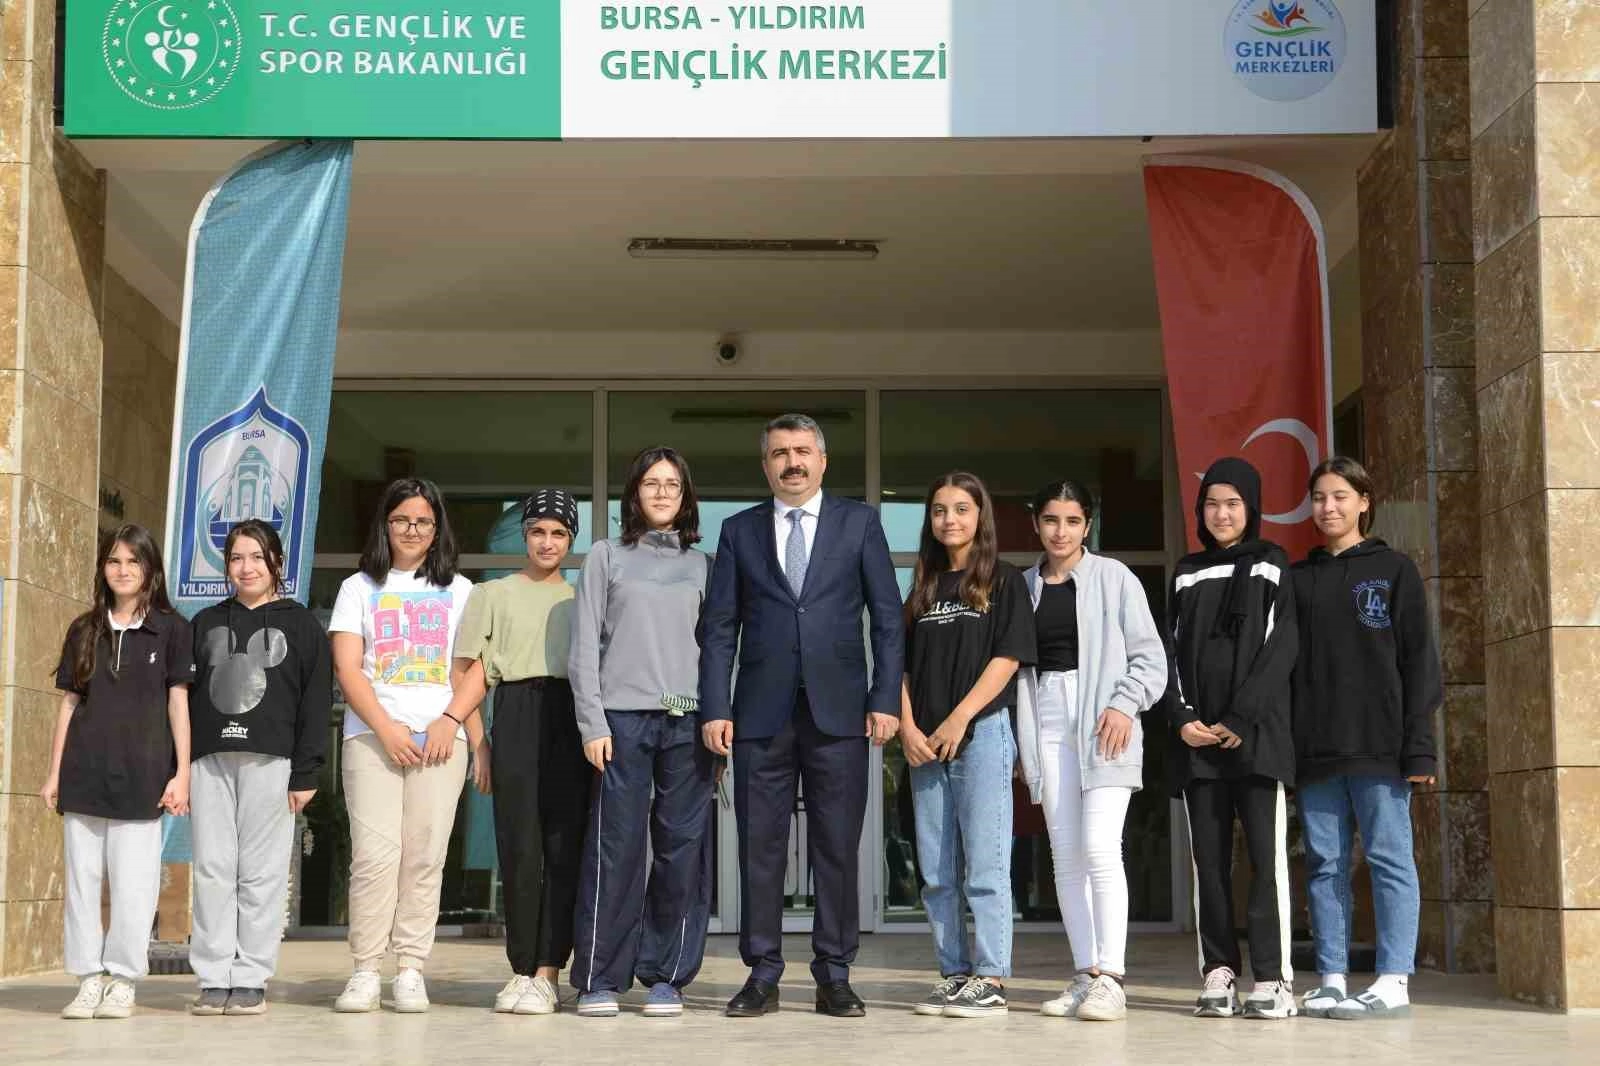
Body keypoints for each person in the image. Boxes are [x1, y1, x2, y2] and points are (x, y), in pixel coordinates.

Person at [699, 413, 904, 1019]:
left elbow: (888, 620)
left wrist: (884, 698)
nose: (792, 462)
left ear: (823, 460)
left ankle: (834, 973)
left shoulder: (860, 523)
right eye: (780, 453)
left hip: (840, 712)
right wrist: (716, 706)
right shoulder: (738, 531)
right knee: (760, 847)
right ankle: (762, 973)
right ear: (766, 465)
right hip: (759, 715)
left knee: (836, 846)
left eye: (803, 451)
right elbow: (719, 629)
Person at [328, 478, 489, 1013]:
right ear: (386, 525)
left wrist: (454, 722)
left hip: (441, 739)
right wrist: (386, 728)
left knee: (424, 857)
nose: (412, 530)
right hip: (373, 738)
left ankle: (411, 969)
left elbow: (475, 669)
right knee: (375, 857)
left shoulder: (462, 591)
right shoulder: (358, 588)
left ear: (437, 528)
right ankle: (365, 969)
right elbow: (347, 667)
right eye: (401, 520)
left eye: (423, 521)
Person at [1291, 456, 1439, 1020]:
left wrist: (1419, 747)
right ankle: (1332, 977)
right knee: (1324, 864)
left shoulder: (1394, 571)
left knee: (1389, 859)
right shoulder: (1299, 579)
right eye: (1319, 497)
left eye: (1339, 496)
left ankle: (1394, 979)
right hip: (1317, 749)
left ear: (1364, 502)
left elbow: (1419, 664)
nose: (1328, 507)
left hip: (1381, 746)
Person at [569, 448, 715, 1019]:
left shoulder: (703, 565)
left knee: (682, 850)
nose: (661, 493)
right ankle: (600, 977)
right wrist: (592, 722)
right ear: (634, 493)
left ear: (685, 496)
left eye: (672, 485)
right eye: (651, 483)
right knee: (616, 848)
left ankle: (666, 976)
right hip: (620, 723)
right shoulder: (606, 556)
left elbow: (718, 650)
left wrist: (716, 719)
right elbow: (584, 644)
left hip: (687, 719)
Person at [1015, 481, 1167, 1022]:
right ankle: (1086, 973)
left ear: (1088, 525)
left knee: (1101, 848)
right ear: (1036, 522)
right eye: (1051, 520)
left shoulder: (1114, 577)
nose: (1061, 532)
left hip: (1105, 718)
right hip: (1047, 715)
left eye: (1073, 521)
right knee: (1066, 855)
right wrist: (1022, 739)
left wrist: (1125, 704)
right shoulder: (1023, 586)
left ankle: (1113, 979)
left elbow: (1150, 657)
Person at [40, 524, 193, 1020]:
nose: (123, 570)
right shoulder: (84, 629)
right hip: (84, 773)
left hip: (142, 777)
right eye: (113, 561)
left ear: (150, 569)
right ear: (102, 568)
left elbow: (178, 704)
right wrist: (54, 772)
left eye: (133, 561)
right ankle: (87, 979)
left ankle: (123, 979)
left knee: (134, 885)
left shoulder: (171, 629)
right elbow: (69, 704)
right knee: (82, 884)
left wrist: (182, 774)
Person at [1168, 457, 1298, 1020]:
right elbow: (1169, 653)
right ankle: (1218, 971)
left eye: (1233, 504)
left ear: (1251, 507)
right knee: (1209, 863)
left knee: (1266, 863)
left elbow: (1281, 648)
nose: (1221, 514)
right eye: (1212, 505)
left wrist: (1240, 719)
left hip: (1257, 739)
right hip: (1200, 744)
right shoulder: (1186, 572)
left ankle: (1272, 978)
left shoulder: (1272, 564)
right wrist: (1181, 718)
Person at [900, 473, 1033, 1019]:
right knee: (936, 872)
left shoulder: (1004, 581)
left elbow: (1007, 659)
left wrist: (959, 718)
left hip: (981, 736)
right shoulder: (923, 588)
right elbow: (900, 667)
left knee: (985, 865)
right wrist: (907, 728)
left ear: (980, 516)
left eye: (960, 508)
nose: (949, 519)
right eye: (939, 510)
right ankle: (954, 974)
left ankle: (991, 978)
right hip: (924, 744)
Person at [187, 520, 332, 1016]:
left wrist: (306, 772)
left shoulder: (302, 625)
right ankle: (213, 976)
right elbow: (181, 700)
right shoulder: (204, 622)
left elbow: (315, 702)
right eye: (236, 558)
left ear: (277, 563)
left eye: (256, 557)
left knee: (262, 874)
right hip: (209, 761)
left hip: (273, 762)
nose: (246, 567)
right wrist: (179, 767)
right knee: (212, 869)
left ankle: (250, 976)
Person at [450, 489, 586, 1016]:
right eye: (538, 532)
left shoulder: (580, 598)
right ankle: (522, 968)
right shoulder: (492, 594)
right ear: (525, 536)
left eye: (558, 533)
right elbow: (466, 673)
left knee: (562, 847)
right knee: (519, 846)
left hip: (570, 715)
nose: (547, 542)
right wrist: (479, 746)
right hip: (514, 713)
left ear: (570, 540)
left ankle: (549, 970)